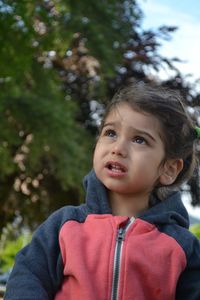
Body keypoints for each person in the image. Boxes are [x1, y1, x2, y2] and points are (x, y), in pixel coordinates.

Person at [5, 82, 200, 299]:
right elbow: (27, 277)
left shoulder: (182, 247)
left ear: (169, 169)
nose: (117, 148)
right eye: (110, 133)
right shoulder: (65, 225)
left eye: (139, 139)